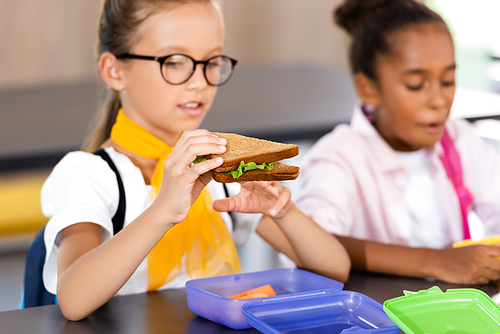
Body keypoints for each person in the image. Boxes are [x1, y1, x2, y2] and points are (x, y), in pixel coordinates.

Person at [40, 0, 350, 321]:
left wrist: (284, 210)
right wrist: (163, 211)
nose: (200, 82)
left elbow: (334, 270)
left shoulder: (217, 170)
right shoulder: (89, 175)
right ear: (114, 70)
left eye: (212, 61)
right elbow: (73, 299)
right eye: (174, 62)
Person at [297, 0, 500, 285]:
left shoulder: (460, 140)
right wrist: (438, 261)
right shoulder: (339, 157)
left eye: (448, 81)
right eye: (416, 85)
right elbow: (308, 241)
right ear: (369, 89)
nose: (438, 101)